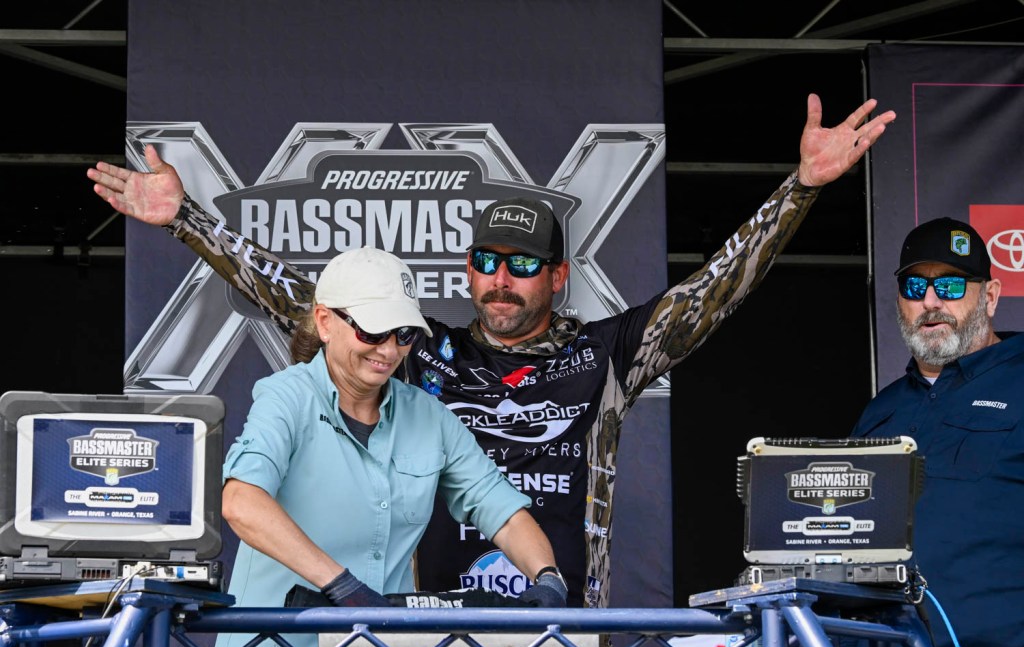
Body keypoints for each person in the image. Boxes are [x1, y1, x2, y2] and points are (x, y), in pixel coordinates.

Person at [88, 93, 895, 614]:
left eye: (522, 265)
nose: (500, 280)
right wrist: (188, 220)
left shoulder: (610, 353)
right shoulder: (416, 349)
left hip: (557, 620)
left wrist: (801, 188)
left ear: (559, 276)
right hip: (416, 629)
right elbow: (300, 298)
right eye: (485, 262)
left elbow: (714, 290)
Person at [211, 246, 567, 647]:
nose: (388, 349)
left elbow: (503, 512)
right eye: (373, 331)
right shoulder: (286, 397)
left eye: (403, 334)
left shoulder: (429, 416)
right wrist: (341, 586)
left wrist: (548, 578)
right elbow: (241, 502)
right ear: (325, 322)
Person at [847, 217, 1024, 647]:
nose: (930, 301)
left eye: (949, 285)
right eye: (914, 286)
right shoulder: (880, 411)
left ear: (989, 296)